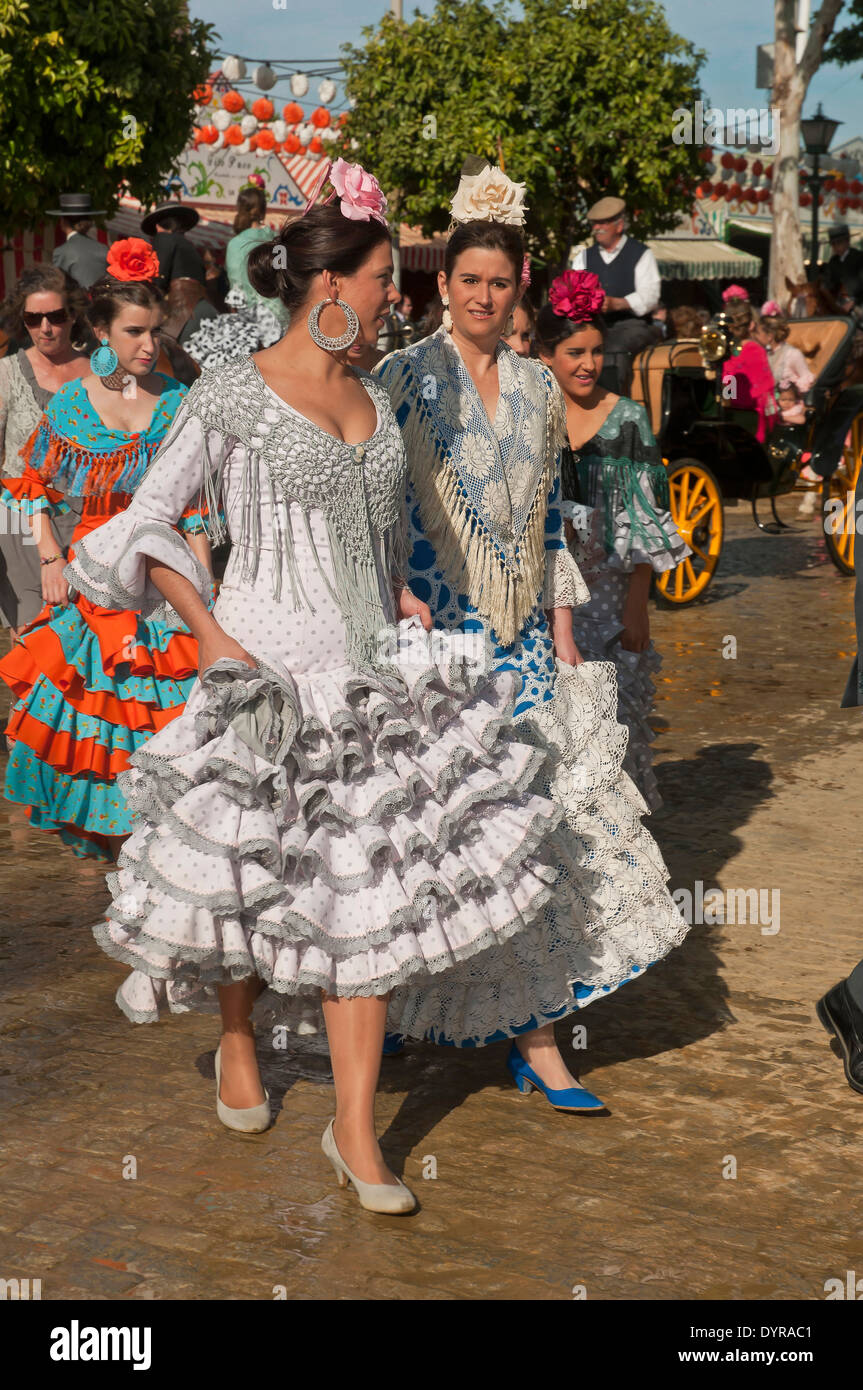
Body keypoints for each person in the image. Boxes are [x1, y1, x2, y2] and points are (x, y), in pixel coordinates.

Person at [64, 159, 596, 1216]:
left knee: (365, 893)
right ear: (331, 284)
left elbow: (375, 531)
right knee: (244, 878)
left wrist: (396, 589)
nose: (396, 294)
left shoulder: (368, 391)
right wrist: (209, 632)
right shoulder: (230, 393)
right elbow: (137, 525)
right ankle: (234, 1040)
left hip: (364, 674)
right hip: (261, 666)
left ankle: (353, 1130)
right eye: (385, 275)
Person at [376, 161, 688, 1100]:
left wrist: (560, 637)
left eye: (498, 282)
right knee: (428, 832)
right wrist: (391, 593)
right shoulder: (400, 378)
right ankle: (398, 1006)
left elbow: (549, 520)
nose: (482, 294)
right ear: (444, 285)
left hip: (517, 638)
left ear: (519, 291)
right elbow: (379, 510)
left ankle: (539, 1039)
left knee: (540, 832)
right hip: (433, 640)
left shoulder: (538, 386)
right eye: (468, 279)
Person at [0, 244, 211, 862]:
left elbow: (194, 503)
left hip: (166, 576)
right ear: (101, 332)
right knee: (103, 716)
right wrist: (50, 559)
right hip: (95, 578)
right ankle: (126, 861)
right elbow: (29, 484)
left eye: (155, 332)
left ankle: (167, 854)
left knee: (168, 713)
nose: (148, 345)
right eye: (135, 333)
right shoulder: (71, 404)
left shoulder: (175, 400)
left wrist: (205, 585)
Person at [536, 270, 689, 811]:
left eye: (597, 352)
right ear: (546, 353)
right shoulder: (531, 417)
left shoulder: (628, 421)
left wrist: (637, 609)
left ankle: (621, 839)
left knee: (614, 724)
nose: (588, 364)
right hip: (545, 599)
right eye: (575, 351)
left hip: (607, 599)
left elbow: (651, 524)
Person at [0, 266, 90, 635]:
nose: (45, 328)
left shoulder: (100, 375)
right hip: (17, 521)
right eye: (33, 319)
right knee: (35, 639)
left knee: (88, 642)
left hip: (87, 519)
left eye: (55, 316)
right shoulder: (5, 374)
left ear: (72, 315)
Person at [570, 196, 662, 393]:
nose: (596, 228)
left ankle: (614, 405)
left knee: (613, 348)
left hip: (631, 324)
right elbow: (573, 289)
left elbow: (650, 296)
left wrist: (617, 303)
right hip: (592, 323)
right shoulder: (583, 257)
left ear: (619, 225)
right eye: (594, 224)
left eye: (602, 223)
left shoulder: (641, 253)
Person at [720, 289, 777, 443]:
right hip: (752, 421)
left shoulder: (723, 350)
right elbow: (765, 392)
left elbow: (727, 386)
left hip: (729, 415)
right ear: (751, 325)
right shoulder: (755, 350)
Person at [47, 193, 109, 290]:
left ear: (63, 221)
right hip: (102, 303)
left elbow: (57, 287)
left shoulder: (62, 252)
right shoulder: (104, 249)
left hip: (77, 304)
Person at [141, 202, 207, 289]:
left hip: (178, 298)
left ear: (157, 226)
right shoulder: (187, 244)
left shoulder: (164, 238)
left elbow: (158, 276)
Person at [756, 301, 816, 394]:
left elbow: (806, 379)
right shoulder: (761, 353)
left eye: (758, 333)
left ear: (770, 336)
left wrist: (790, 390)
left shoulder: (792, 354)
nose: (755, 336)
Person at [824, 223, 863, 313]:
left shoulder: (859, 257)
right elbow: (828, 282)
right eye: (833, 244)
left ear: (847, 241)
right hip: (838, 302)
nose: (836, 247)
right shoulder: (833, 261)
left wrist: (854, 301)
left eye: (839, 242)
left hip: (859, 302)